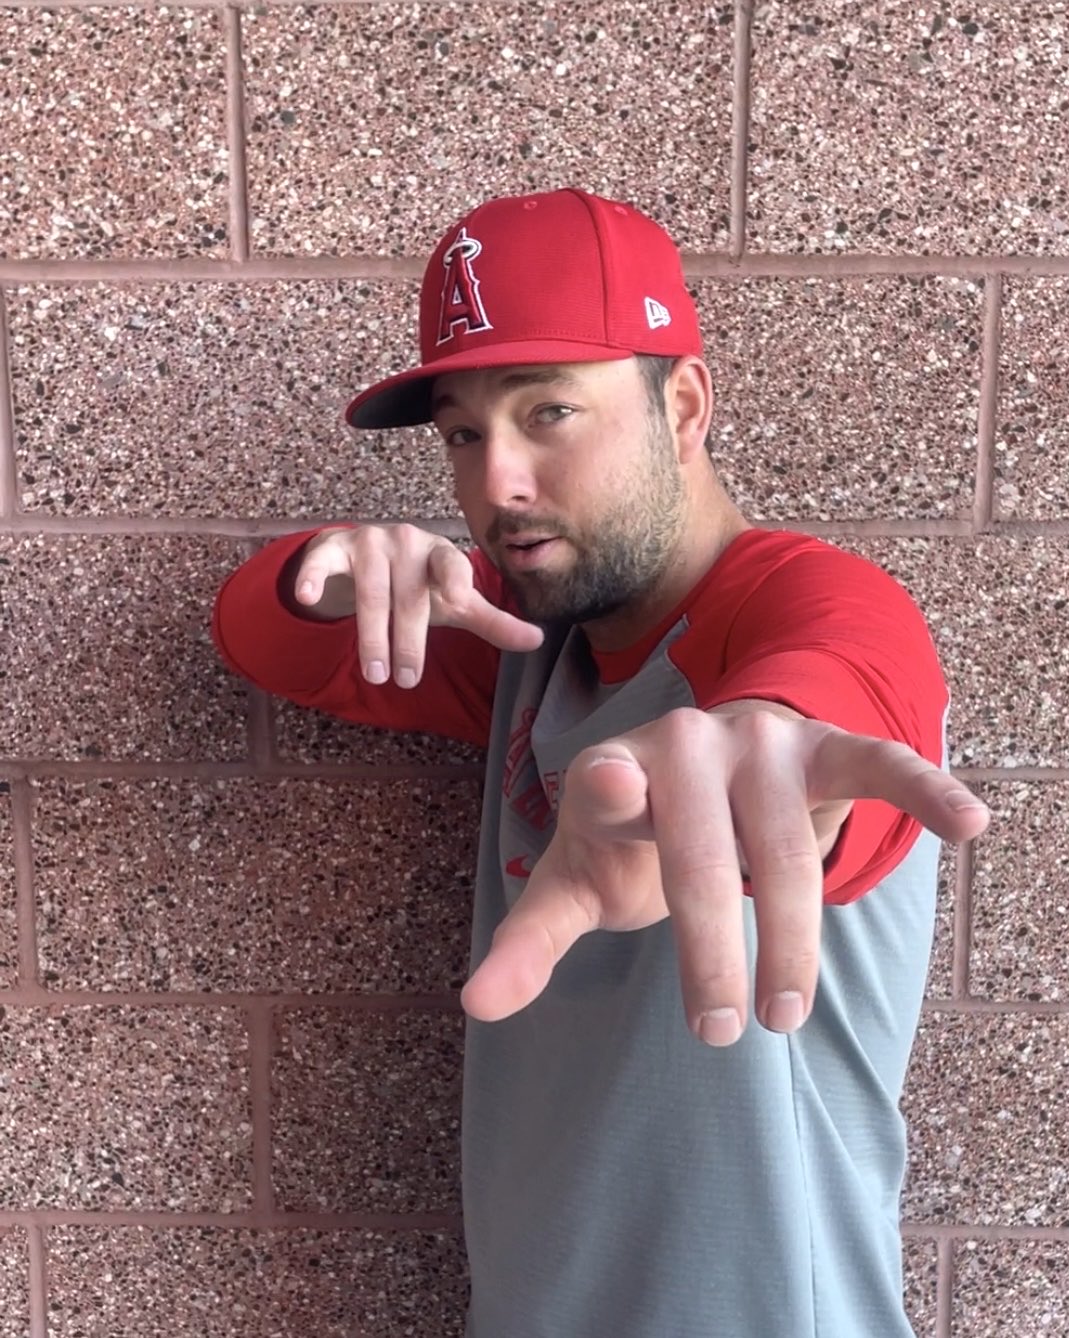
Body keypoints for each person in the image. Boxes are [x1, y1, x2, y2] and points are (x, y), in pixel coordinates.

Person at [213, 187, 989, 1338]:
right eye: (464, 434)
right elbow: (263, 641)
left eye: (549, 412)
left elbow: (836, 698)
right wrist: (326, 570)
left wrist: (757, 749)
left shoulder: (809, 604)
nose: (498, 483)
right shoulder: (530, 636)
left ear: (683, 404)